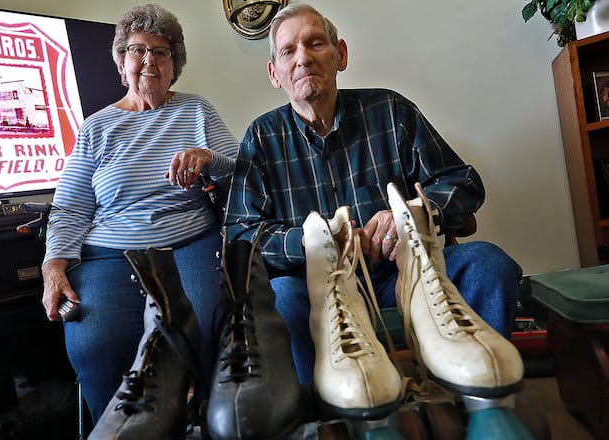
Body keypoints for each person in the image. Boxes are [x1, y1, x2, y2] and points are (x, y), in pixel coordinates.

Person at [223, 3, 522, 386]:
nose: (303, 59)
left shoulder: (390, 110)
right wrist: (315, 242)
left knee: (487, 262)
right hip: (318, 292)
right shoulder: (262, 138)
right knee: (279, 297)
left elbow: (463, 183)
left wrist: (410, 213)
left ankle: (481, 393)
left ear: (340, 54)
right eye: (288, 52)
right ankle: (323, 417)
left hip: (406, 274)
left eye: (315, 43)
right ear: (274, 73)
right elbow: (241, 235)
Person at [40, 3, 238, 422]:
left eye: (161, 52)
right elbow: (71, 206)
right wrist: (54, 267)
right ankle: (122, 429)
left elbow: (242, 171)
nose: (149, 60)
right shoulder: (97, 127)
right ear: (121, 60)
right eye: (137, 50)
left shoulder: (196, 111)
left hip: (188, 240)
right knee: (96, 340)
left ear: (174, 64)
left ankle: (199, 425)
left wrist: (209, 158)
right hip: (111, 252)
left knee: (200, 331)